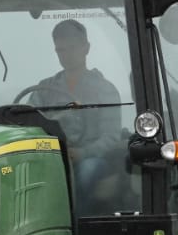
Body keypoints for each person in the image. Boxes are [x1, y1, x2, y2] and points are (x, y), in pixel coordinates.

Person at [26, 18, 125, 206]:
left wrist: (82, 153)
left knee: (86, 172)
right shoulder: (44, 89)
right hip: (51, 156)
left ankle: (75, 225)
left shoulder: (105, 89)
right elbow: (30, 124)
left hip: (91, 158)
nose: (66, 55)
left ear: (86, 48)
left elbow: (111, 137)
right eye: (61, 50)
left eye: (72, 48)